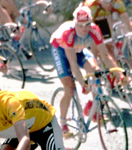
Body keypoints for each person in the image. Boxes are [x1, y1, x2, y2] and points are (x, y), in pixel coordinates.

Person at [50, 6, 121, 138]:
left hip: (78, 50)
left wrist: (118, 72)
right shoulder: (68, 33)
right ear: (75, 23)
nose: (84, 29)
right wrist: (83, 84)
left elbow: (105, 55)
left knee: (96, 70)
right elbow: (73, 65)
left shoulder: (95, 30)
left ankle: (93, 109)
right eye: (80, 25)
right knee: (70, 88)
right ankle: (63, 123)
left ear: (91, 22)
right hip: (61, 50)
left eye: (87, 24)